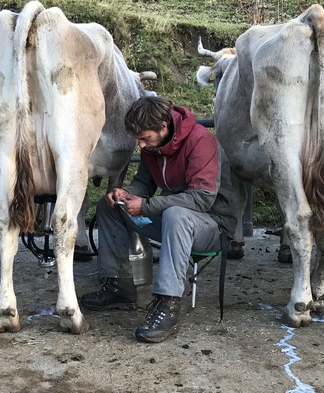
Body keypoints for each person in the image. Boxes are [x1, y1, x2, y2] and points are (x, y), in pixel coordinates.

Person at [80, 96, 234, 343]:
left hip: (214, 225)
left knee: (176, 216)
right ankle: (119, 287)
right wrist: (127, 193)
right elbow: (145, 183)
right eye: (137, 139)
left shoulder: (200, 140)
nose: (140, 146)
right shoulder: (154, 146)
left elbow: (202, 199)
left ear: (163, 126)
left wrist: (147, 205)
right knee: (109, 206)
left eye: (144, 138)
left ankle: (168, 305)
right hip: (177, 220)